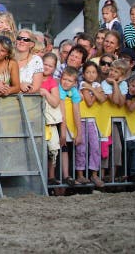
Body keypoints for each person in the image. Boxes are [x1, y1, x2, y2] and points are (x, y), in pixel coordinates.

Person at [77, 61, 106, 187]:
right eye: (88, 72)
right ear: (83, 74)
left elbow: (103, 99)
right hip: (82, 119)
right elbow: (89, 102)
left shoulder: (95, 85)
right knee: (81, 148)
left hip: (93, 120)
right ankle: (80, 174)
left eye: (93, 72)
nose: (91, 75)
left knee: (95, 147)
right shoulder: (83, 84)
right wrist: (96, 91)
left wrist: (92, 90)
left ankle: (94, 174)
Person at [38, 53, 62, 185]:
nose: (46, 67)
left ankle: (51, 177)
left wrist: (46, 92)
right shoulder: (34, 77)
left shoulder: (52, 82)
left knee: (52, 149)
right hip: (35, 118)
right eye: (45, 64)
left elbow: (55, 102)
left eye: (50, 66)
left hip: (48, 121)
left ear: (54, 69)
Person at [59, 66, 83, 186]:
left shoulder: (74, 92)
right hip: (57, 123)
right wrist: (63, 132)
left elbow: (77, 112)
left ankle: (66, 176)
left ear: (75, 83)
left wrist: (79, 133)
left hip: (68, 125)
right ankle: (57, 177)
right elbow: (62, 112)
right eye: (64, 79)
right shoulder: (59, 89)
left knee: (65, 148)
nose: (65, 82)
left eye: (69, 80)